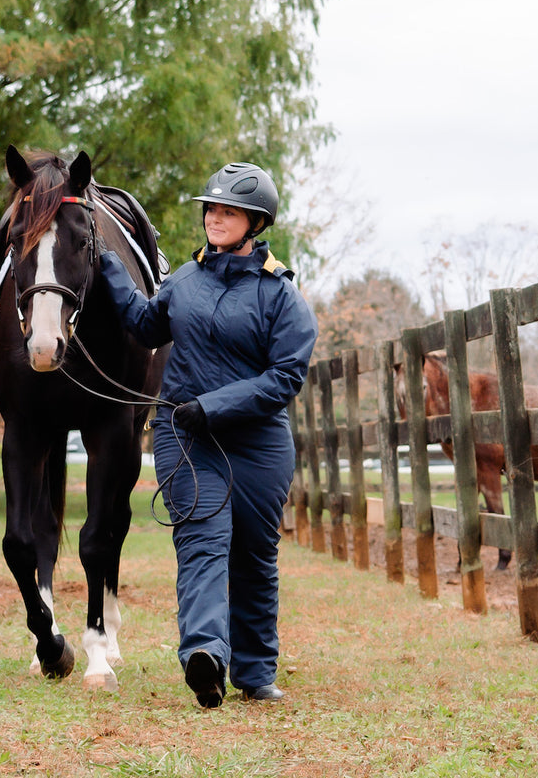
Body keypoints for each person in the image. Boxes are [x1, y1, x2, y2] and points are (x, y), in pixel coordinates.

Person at [96, 161, 317, 708]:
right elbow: (147, 326)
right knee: (201, 541)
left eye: (230, 211)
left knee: (254, 554)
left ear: (255, 222)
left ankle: (256, 672)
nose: (216, 218)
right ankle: (204, 657)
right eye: (212, 209)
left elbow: (286, 376)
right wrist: (111, 270)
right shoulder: (184, 282)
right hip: (184, 436)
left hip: (259, 442)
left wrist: (213, 407)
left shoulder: (281, 294)